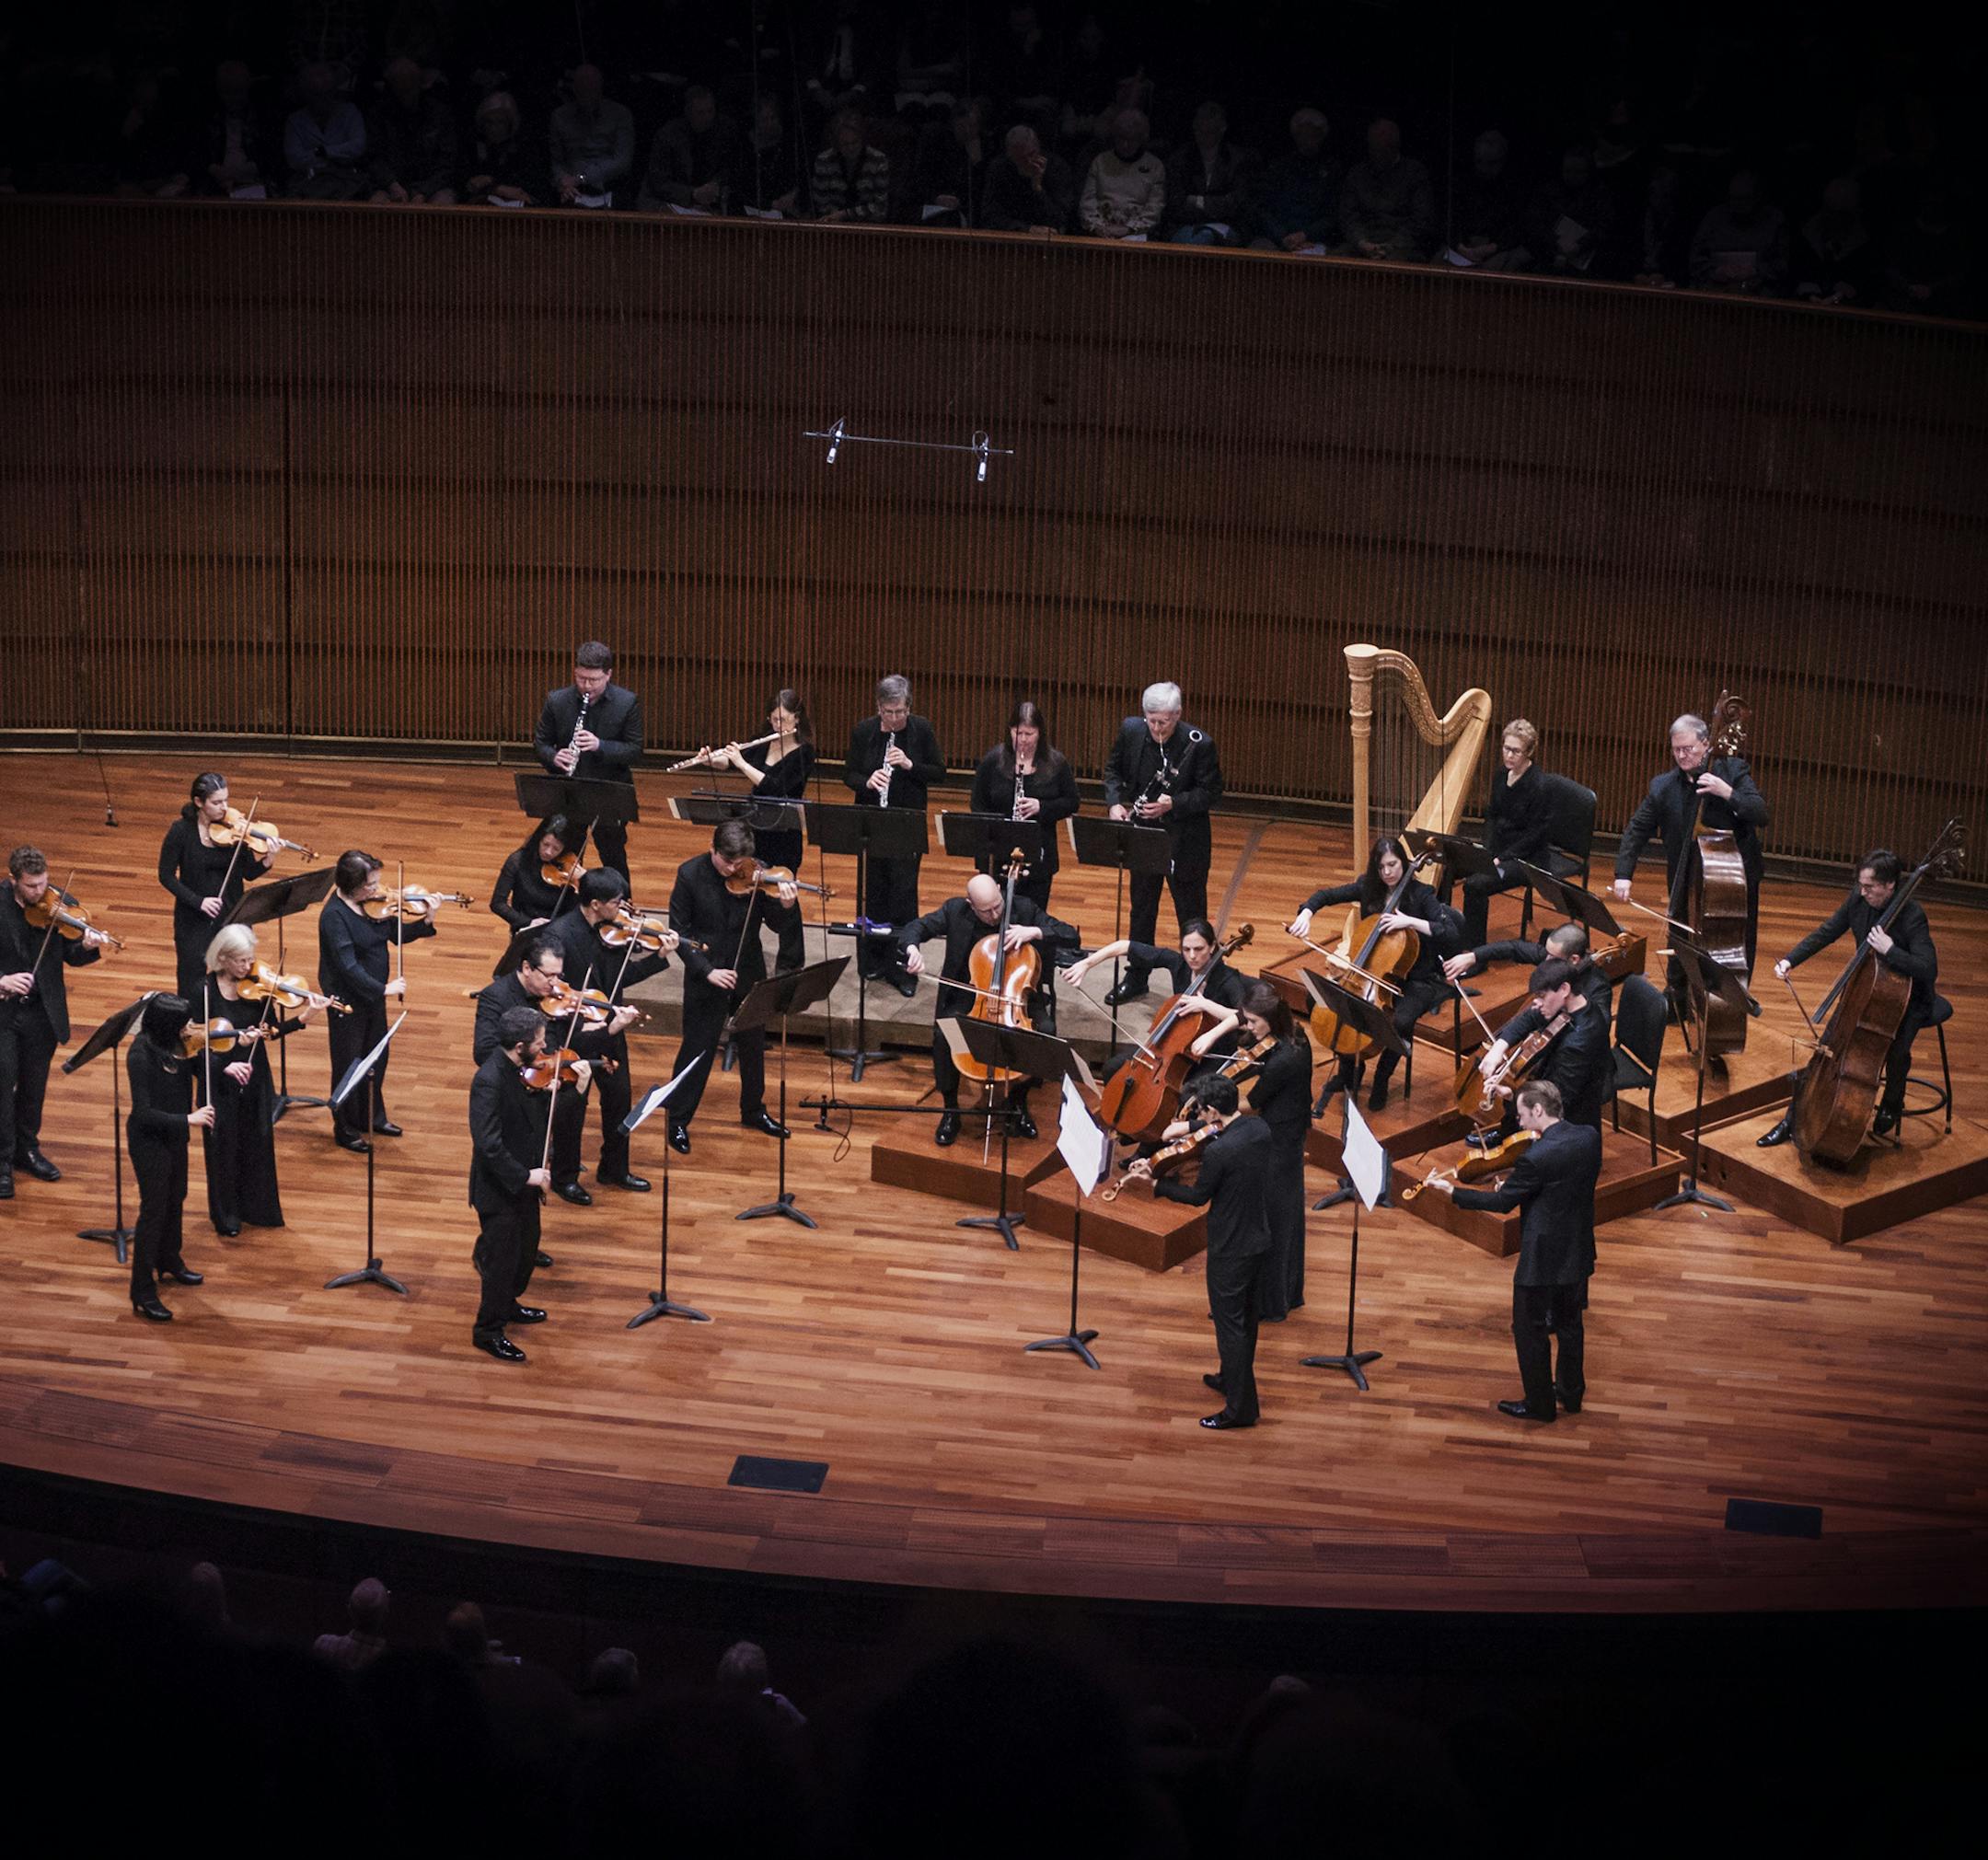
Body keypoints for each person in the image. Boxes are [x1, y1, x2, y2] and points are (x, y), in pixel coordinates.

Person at [1422, 1080, 1601, 1423]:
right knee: (1570, 1324)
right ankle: (1571, 1394)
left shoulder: (1534, 1158)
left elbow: (1503, 1203)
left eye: (1520, 1115)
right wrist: (1529, 1190)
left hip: (1543, 1255)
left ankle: (1539, 1404)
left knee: (1529, 1329)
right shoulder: (1589, 1137)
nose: (1518, 1123)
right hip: (1577, 1247)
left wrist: (1452, 1192)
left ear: (1537, 1110)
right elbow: (1562, 1187)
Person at [1758, 849, 1938, 1147]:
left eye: (1869, 886)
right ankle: (1792, 1119)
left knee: (1894, 1052)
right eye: (1861, 885)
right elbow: (1827, 932)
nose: (1862, 891)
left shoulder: (1912, 915)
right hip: (1865, 988)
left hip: (1908, 1000)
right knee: (1826, 1047)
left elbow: (1928, 968)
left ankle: (1893, 1102)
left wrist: (1891, 950)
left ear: (1890, 884)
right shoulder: (1859, 899)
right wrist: (1791, 960)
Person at [1127, 1074, 1275, 1430]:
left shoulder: (1220, 1151)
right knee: (1246, 1320)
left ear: (1210, 1110)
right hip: (1260, 1237)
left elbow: (1197, 1197)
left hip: (1231, 1247)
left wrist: (1156, 1183)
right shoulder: (1258, 1129)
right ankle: (1229, 1378)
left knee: (1230, 1328)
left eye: (1202, 1112)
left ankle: (1241, 1409)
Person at [897, 872, 1077, 1146]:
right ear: (971, 904)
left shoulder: (1023, 908)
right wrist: (912, 949)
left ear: (999, 890)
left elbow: (1070, 935)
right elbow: (916, 928)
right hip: (968, 996)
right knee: (945, 1035)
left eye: (998, 906)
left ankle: (1018, 1103)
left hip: (1018, 998)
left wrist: (1036, 931)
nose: (995, 916)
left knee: (1046, 1032)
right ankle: (951, 1110)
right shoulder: (954, 910)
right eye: (986, 911)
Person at [1290, 835, 1461, 1110]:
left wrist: (1411, 922)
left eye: (1393, 865)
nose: (1387, 873)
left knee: (1401, 1022)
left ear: (1403, 863)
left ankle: (1381, 1080)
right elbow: (1326, 895)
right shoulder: (1369, 888)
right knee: (1322, 1001)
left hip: (1416, 978)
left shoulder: (1422, 894)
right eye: (1381, 867)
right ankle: (1349, 1072)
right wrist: (1306, 912)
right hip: (1369, 972)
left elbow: (1450, 932)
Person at [1612, 710, 1770, 1002]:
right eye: (1676, 750)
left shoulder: (1732, 770)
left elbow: (1760, 814)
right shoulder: (1663, 786)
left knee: (1734, 946)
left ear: (1706, 744)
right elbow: (1636, 829)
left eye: (1689, 749)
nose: (1682, 756)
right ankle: (1678, 996)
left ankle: (1730, 999)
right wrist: (1623, 874)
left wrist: (1728, 793)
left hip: (1735, 881)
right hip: (1685, 875)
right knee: (1680, 937)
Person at [474, 934, 636, 1209]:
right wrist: (532, 1065)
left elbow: (568, 1044)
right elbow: (483, 1052)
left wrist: (610, 1029)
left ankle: (565, 1177)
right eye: (549, 976)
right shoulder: (496, 996)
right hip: (520, 1083)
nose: (555, 985)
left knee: (572, 1113)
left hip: (551, 1073)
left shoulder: (556, 999)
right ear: (527, 968)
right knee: (527, 1148)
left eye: (558, 976)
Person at [665, 821, 797, 1153]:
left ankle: (753, 1110)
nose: (736, 870)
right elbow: (678, 934)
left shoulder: (757, 874)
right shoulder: (689, 875)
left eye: (741, 863)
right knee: (697, 1049)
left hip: (748, 969)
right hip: (706, 976)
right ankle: (677, 1119)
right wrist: (707, 971)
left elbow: (777, 926)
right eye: (728, 862)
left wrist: (786, 907)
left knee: (753, 1047)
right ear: (713, 850)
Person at [549, 869, 675, 1189]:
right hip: (575, 1033)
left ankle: (614, 1168)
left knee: (618, 1099)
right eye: (616, 903)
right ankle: (565, 1178)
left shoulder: (612, 932)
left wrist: (659, 956)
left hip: (612, 1029)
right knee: (572, 1107)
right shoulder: (560, 936)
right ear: (594, 904)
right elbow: (552, 993)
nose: (622, 909)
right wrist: (581, 1018)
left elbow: (622, 978)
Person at [1100, 682, 1223, 1003]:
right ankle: (1137, 976)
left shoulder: (1199, 744)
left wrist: (1174, 804)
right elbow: (1113, 771)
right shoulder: (1131, 730)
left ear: (1178, 715)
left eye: (1164, 722)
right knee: (1141, 909)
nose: (1156, 728)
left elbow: (1212, 793)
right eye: (1151, 720)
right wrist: (1114, 803)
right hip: (1143, 836)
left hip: (1186, 842)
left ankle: (1193, 985)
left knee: (1190, 914)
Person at [0, 846, 110, 1197]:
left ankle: (26, 1150)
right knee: (2, 1088)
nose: (39, 893)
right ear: (13, 879)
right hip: (3, 1013)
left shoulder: (59, 902)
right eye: (31, 886)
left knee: (34, 1086)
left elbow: (73, 956)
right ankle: (1, 1162)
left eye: (43, 883)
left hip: (41, 1012)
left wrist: (90, 945)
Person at [198, 923, 314, 1235]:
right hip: (219, 1079)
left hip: (254, 1076)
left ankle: (257, 1208)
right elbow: (191, 1044)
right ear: (222, 959)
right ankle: (226, 1215)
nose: (250, 967)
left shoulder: (256, 988)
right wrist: (224, 1065)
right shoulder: (203, 992)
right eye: (242, 961)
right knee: (224, 1148)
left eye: (251, 959)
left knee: (256, 1142)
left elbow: (270, 1031)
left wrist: (303, 1019)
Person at [318, 850, 436, 1152]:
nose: (377, 889)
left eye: (377, 882)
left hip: (372, 997)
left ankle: (371, 1115)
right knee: (348, 1062)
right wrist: (382, 989)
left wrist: (427, 919)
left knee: (376, 1058)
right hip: (347, 1001)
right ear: (350, 885)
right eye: (370, 884)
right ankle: (344, 1127)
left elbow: (396, 933)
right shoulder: (334, 916)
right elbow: (348, 967)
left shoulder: (371, 907)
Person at [468, 1006, 566, 1363]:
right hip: (500, 1189)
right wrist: (526, 1176)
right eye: (539, 1043)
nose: (544, 1049)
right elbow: (488, 1143)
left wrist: (546, 1095)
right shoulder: (489, 1080)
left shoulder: (518, 1071)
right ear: (521, 1045)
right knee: (501, 1265)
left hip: (525, 1182)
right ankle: (488, 1331)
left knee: (526, 1252)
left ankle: (508, 1304)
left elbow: (523, 1114)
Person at [695, 689, 815, 973]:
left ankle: (791, 959)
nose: (778, 726)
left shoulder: (805, 752)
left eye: (784, 720)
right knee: (747, 888)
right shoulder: (764, 743)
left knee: (782, 892)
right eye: (774, 719)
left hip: (784, 831)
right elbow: (730, 761)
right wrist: (711, 759)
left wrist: (741, 762)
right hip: (755, 827)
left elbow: (775, 786)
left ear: (797, 719)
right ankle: (747, 954)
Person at [842, 674, 944, 996]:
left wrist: (911, 765)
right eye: (889, 712)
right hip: (872, 824)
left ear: (909, 707)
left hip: (906, 825)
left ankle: (903, 968)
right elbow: (849, 774)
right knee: (873, 893)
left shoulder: (921, 730)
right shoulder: (864, 731)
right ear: (879, 708)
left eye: (901, 711)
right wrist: (867, 781)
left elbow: (939, 773)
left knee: (903, 897)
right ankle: (873, 960)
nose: (896, 718)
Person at [126, 994, 214, 1323]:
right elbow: (143, 1112)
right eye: (185, 1025)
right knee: (153, 1211)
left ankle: (169, 1260)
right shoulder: (140, 1055)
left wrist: (234, 1050)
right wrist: (187, 1120)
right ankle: (142, 1290)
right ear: (167, 1027)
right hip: (149, 1141)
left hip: (175, 1135)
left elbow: (202, 1065)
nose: (191, 1029)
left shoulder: (179, 1045)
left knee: (177, 1197)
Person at [1065, 919, 1247, 1077]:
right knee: (1113, 1068)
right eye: (1186, 949)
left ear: (1212, 947)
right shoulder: (1179, 964)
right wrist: (1087, 963)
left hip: (1211, 1053)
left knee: (1188, 1095)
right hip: (1175, 1045)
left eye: (1199, 949)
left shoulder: (1228, 978)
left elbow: (1245, 1018)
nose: (1192, 956)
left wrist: (1206, 1005)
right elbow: (1125, 946)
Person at [157, 771, 273, 1005]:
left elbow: (248, 872)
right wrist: (198, 901)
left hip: (233, 913)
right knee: (191, 977)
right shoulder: (181, 832)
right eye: (217, 802)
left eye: (226, 800)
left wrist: (268, 860)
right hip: (193, 916)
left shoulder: (235, 830)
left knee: (238, 973)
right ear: (199, 803)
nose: (224, 808)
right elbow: (166, 876)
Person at [533, 641, 643, 883]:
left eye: (594, 680)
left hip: (609, 792)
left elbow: (635, 750)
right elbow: (540, 744)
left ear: (608, 675)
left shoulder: (626, 703)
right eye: (581, 678)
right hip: (569, 793)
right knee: (568, 856)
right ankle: (569, 905)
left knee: (613, 856)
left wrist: (599, 745)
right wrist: (554, 756)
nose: (587, 686)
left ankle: (622, 909)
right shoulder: (557, 701)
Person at [1234, 981, 1312, 1320]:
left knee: (1273, 1221)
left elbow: (1250, 1103)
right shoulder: (1296, 1035)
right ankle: (1285, 1294)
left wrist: (1213, 1103)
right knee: (1285, 1217)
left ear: (1270, 1019)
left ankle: (1269, 1302)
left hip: (1279, 1142)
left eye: (1253, 1022)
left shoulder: (1284, 1060)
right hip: (1290, 1134)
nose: (1248, 1028)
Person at [1469, 957, 1612, 1138]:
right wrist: (1498, 1049)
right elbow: (1528, 1017)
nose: (1536, 1003)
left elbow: (1557, 1103)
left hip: (1569, 1125)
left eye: (1541, 996)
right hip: (1547, 1086)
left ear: (1564, 989)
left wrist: (1513, 1095)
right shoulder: (1567, 1005)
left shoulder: (1581, 1041)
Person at [969, 699, 1081, 912]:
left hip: (1038, 856)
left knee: (1033, 914)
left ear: (1040, 733)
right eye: (1017, 733)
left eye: (1029, 734)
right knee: (996, 913)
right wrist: (998, 827)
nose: (1022, 740)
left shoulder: (1055, 763)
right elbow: (977, 803)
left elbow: (1072, 802)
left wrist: (1042, 807)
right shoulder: (993, 761)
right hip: (997, 853)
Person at [1457, 719, 1555, 946]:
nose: (1509, 755)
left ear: (1529, 752)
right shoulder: (1502, 775)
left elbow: (1535, 835)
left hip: (1527, 859)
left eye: (1516, 751)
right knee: (1446, 862)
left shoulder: (1539, 786)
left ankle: (1474, 953)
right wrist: (1488, 849)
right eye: (1506, 748)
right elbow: (1492, 815)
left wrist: (1502, 858)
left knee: (1475, 885)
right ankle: (1446, 934)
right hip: (1498, 850)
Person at [1443, 920, 1614, 1020]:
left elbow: (1599, 1025)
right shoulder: (1552, 956)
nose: (1545, 960)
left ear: (1574, 959)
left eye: (1552, 956)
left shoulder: (1598, 985)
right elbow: (1513, 947)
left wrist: (1566, 1007)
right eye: (1546, 953)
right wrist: (1473, 956)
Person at [638, 85, 745, 214]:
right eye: (700, 113)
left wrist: (715, 184)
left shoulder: (726, 131)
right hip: (671, 202)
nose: (707, 118)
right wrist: (692, 194)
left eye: (710, 111)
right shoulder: (668, 135)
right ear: (688, 112)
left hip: (711, 204)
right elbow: (658, 182)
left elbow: (731, 169)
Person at [1340, 119, 1434, 261]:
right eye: (1375, 148)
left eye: (1385, 148)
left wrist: (1393, 245)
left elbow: (1421, 219)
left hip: (1402, 246)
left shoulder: (1415, 173)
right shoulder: (1357, 173)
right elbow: (1348, 217)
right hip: (1362, 243)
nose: (1379, 153)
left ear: (1396, 146)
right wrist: (1362, 242)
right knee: (1336, 261)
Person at [366, 57, 457, 204]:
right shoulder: (379, 114)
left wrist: (423, 191)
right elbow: (374, 158)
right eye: (400, 88)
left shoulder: (439, 114)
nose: (406, 94)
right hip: (390, 185)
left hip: (431, 186)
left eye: (409, 88)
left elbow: (447, 163)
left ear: (420, 84)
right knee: (377, 203)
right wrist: (392, 184)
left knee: (442, 203)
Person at [1164, 100, 1255, 246]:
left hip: (1227, 226)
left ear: (1222, 129)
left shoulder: (1238, 160)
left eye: (1210, 130)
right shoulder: (1179, 158)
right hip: (1185, 225)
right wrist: (1217, 205)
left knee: (1207, 237)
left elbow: (1238, 204)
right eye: (1199, 129)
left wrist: (1198, 201)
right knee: (1198, 239)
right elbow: (1175, 203)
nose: (1203, 133)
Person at [1251, 107, 1337, 254]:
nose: (1308, 140)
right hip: (1277, 238)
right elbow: (1262, 208)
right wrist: (1283, 236)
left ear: (1322, 136)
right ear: (1295, 135)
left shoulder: (1332, 170)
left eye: (1314, 135)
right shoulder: (1278, 167)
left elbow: (1334, 214)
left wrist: (1306, 235)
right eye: (1303, 134)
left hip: (1315, 240)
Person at [549, 64, 634, 207]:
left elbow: (622, 161)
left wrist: (582, 178)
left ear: (601, 87)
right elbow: (556, 160)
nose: (587, 92)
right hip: (571, 189)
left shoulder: (620, 114)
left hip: (610, 186)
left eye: (592, 87)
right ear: (574, 89)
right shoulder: (559, 117)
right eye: (582, 88)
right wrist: (563, 181)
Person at [1079, 107, 1163, 239]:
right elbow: (1088, 203)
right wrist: (1098, 227)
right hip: (1100, 232)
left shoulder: (1154, 166)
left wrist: (1129, 229)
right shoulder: (1101, 161)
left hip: (1137, 234)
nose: (1125, 145)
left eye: (1131, 139)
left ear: (1142, 138)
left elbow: (1154, 209)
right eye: (1121, 138)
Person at [491, 815, 584, 935]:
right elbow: (497, 904)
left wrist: (585, 879)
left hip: (560, 927)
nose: (548, 852)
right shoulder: (517, 861)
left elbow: (578, 907)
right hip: (526, 924)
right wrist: (529, 922)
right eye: (545, 844)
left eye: (556, 848)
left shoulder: (569, 864)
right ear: (538, 839)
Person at [982, 122, 1075, 233]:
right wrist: (1028, 229)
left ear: (1038, 146)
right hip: (1010, 238)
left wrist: (1037, 187)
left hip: (1050, 240)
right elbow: (990, 217)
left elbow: (1060, 219)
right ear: (1009, 155)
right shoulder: (999, 169)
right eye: (1021, 158)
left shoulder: (1057, 168)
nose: (1029, 162)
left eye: (1031, 154)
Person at [812, 107, 890, 222]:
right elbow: (821, 203)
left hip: (868, 226)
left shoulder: (878, 160)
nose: (851, 148)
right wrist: (834, 217)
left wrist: (845, 214)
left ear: (862, 139)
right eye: (845, 144)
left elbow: (881, 207)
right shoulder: (824, 160)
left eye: (855, 142)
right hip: (831, 224)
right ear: (837, 143)